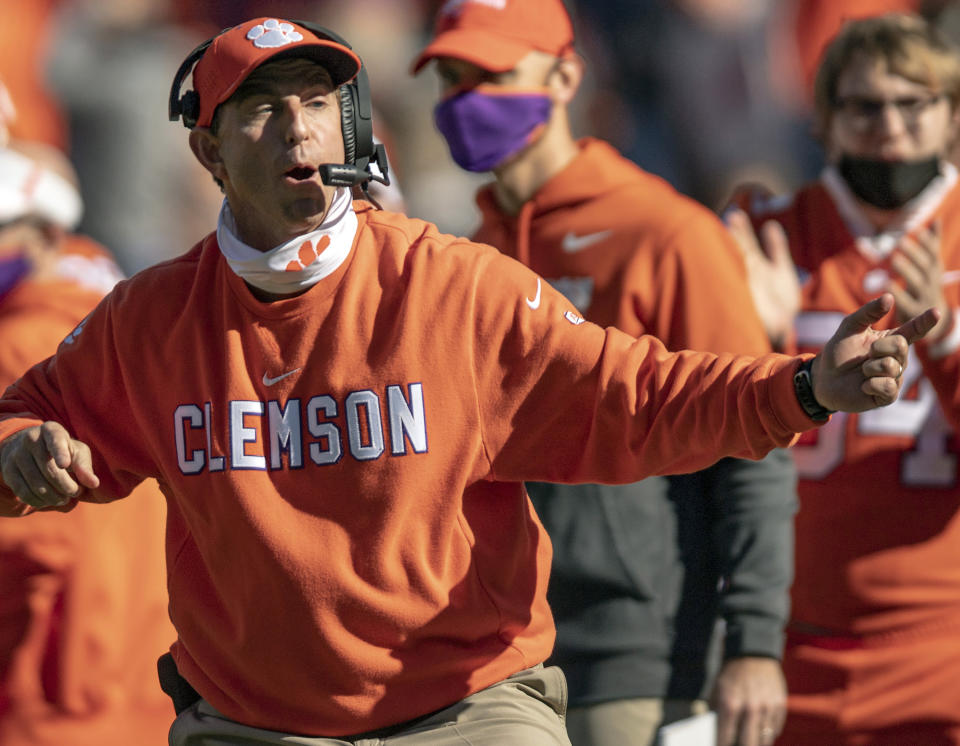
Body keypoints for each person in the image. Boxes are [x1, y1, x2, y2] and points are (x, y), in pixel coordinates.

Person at [0, 17, 936, 745]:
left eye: (317, 103)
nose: (297, 127)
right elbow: (21, 417)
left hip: (464, 709)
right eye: (260, 108)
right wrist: (21, 449)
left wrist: (808, 386)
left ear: (349, 123)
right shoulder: (147, 319)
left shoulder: (452, 285)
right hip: (256, 723)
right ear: (207, 153)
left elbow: (641, 398)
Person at [411, 2, 796, 745]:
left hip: (642, 663)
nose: (464, 100)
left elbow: (756, 450)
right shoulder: (466, 257)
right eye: (452, 78)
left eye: (489, 75)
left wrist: (753, 645)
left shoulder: (665, 233)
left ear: (564, 76)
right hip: (492, 669)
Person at [727, 13, 960, 744]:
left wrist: (950, 348)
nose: (889, 126)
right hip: (789, 645)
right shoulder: (768, 233)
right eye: (864, 106)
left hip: (943, 652)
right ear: (824, 121)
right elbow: (692, 419)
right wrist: (751, 340)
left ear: (951, 116)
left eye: (912, 103)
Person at [0, 138, 174, 744]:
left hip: (48, 681)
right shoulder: (124, 316)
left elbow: (30, 543)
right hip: (154, 667)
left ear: (47, 236)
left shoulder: (17, 344)